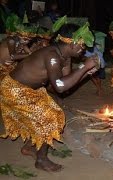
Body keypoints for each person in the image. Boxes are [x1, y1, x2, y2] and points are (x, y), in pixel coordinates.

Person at [0, 23, 98, 172]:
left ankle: (30, 147)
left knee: (56, 108)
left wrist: (85, 73)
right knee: (50, 117)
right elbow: (60, 86)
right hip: (13, 89)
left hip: (28, 89)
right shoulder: (52, 55)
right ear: (71, 43)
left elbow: (64, 85)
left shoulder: (64, 56)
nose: (84, 49)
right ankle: (41, 160)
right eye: (82, 45)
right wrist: (83, 67)